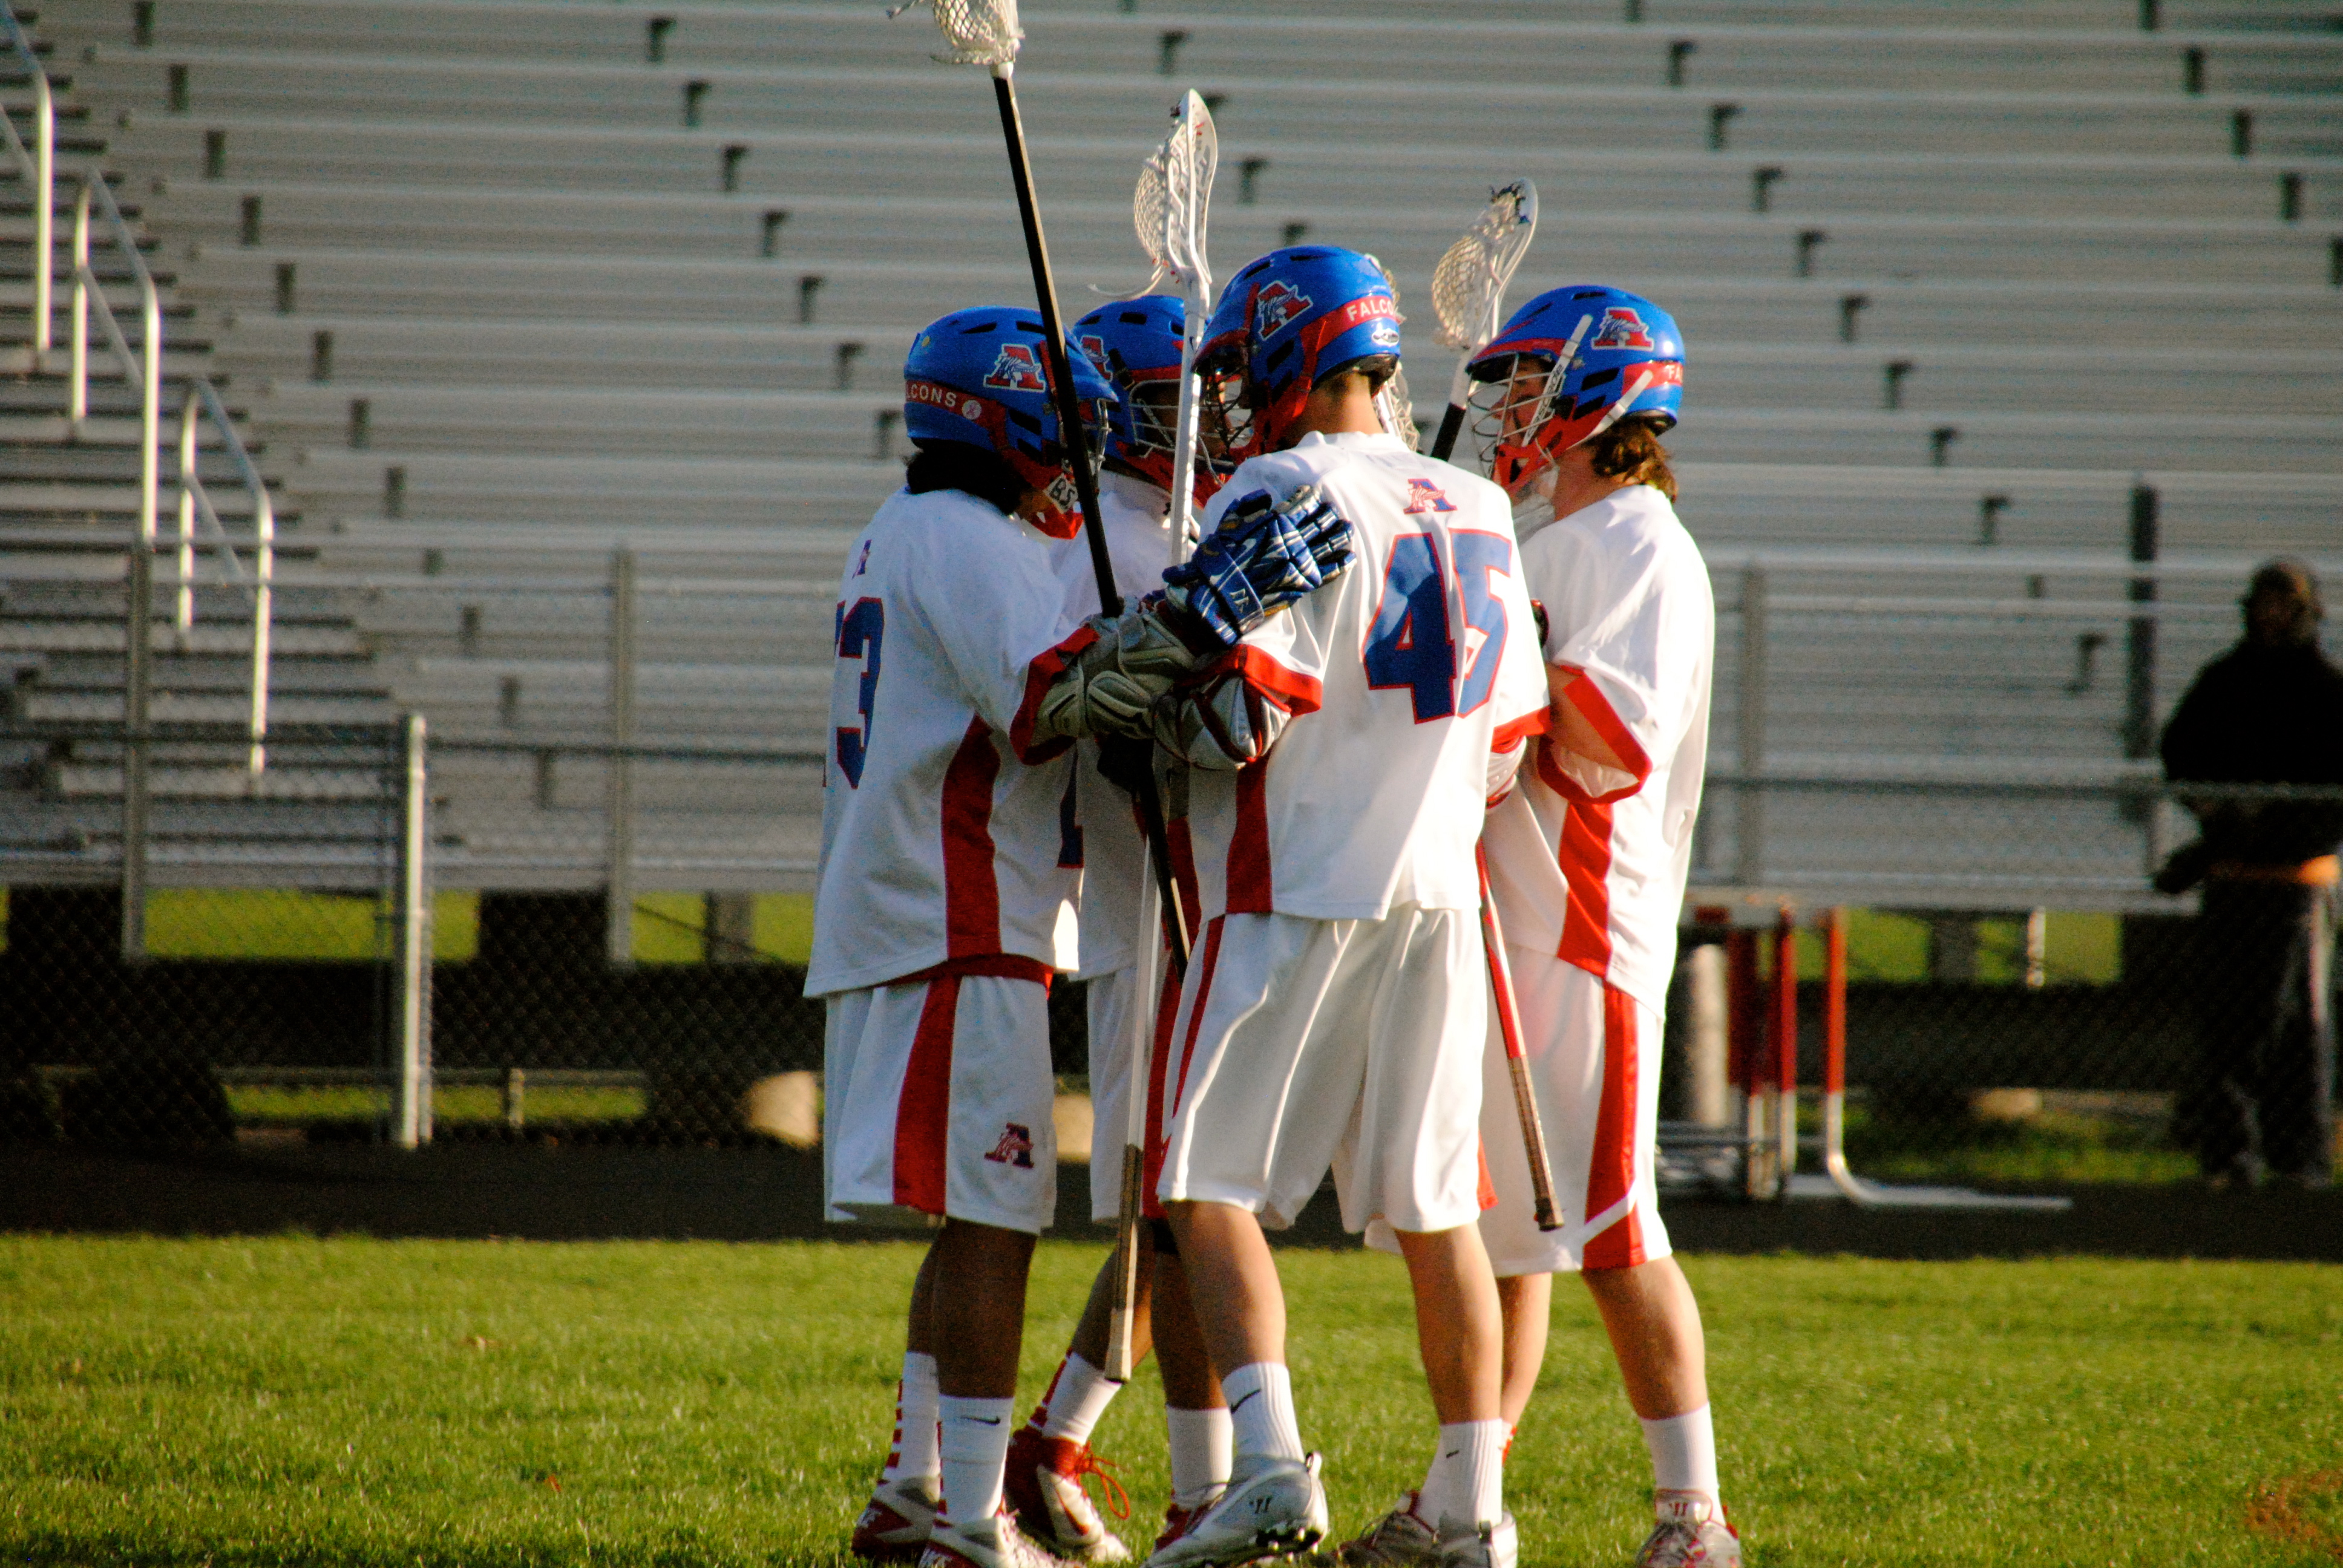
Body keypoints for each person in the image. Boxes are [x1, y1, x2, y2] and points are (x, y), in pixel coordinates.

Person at [827, 304, 1354, 1568]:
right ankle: (970, 1520)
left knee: (974, 1213)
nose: (1077, 455)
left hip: (942, 908)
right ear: (1007, 420)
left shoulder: (916, 527)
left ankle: (916, 1487)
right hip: (958, 907)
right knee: (997, 1219)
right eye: (1059, 428)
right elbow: (1057, 700)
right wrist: (1201, 620)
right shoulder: (967, 539)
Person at [1053, 245, 1553, 1568]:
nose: (1228, 401)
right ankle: (1470, 1508)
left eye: (1242, 370)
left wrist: (1144, 699)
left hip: (1288, 883)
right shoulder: (1479, 502)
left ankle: (1270, 1466)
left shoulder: (1280, 488)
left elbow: (1238, 724)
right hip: (1437, 890)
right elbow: (1510, 743)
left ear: (1293, 355)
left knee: (1198, 1182)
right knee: (1436, 1208)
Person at [1342, 286, 1738, 1568]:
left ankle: (1694, 1519)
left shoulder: (1635, 542)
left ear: (1593, 394)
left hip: (1584, 929)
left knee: (1614, 1230)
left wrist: (1496, 653)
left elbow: (1614, 739)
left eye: (1526, 387)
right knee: (1505, 1235)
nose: (1508, 413)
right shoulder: (1558, 536)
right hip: (1508, 925)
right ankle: (1466, 1502)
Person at [1004, 296, 1230, 1564]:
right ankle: (1201, 1490)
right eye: (1188, 403)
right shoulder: (1122, 546)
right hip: (1156, 901)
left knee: (1182, 1212)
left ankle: (1054, 1444)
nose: (1217, 425)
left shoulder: (1148, 532)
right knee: (1188, 1209)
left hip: (1179, 902)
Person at [2158, 558, 2343, 1188]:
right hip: (2233, 876)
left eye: (2282, 606)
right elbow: (2179, 751)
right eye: (2262, 604)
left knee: (2298, 1030)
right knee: (2230, 1026)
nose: (2269, 617)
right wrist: (2213, 811)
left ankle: (2300, 1159)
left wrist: (2277, 826)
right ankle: (2229, 1156)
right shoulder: (2225, 680)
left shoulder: (2325, 688)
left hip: (2297, 883)